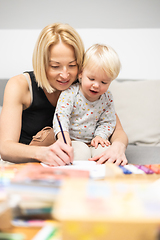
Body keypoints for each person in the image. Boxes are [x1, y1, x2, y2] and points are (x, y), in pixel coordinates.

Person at [0, 23, 128, 166]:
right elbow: (5, 148)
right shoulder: (20, 85)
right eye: (55, 66)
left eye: (72, 65)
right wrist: (43, 153)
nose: (65, 75)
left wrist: (118, 147)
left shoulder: (83, 85)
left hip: (65, 164)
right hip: (25, 163)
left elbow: (117, 130)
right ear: (41, 63)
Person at [53, 44, 120, 161]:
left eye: (104, 82)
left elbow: (108, 121)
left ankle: (101, 176)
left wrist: (100, 136)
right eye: (92, 79)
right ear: (81, 74)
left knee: (106, 154)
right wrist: (63, 135)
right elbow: (61, 116)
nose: (96, 85)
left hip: (94, 141)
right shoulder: (70, 93)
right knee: (79, 154)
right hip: (73, 140)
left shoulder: (107, 98)